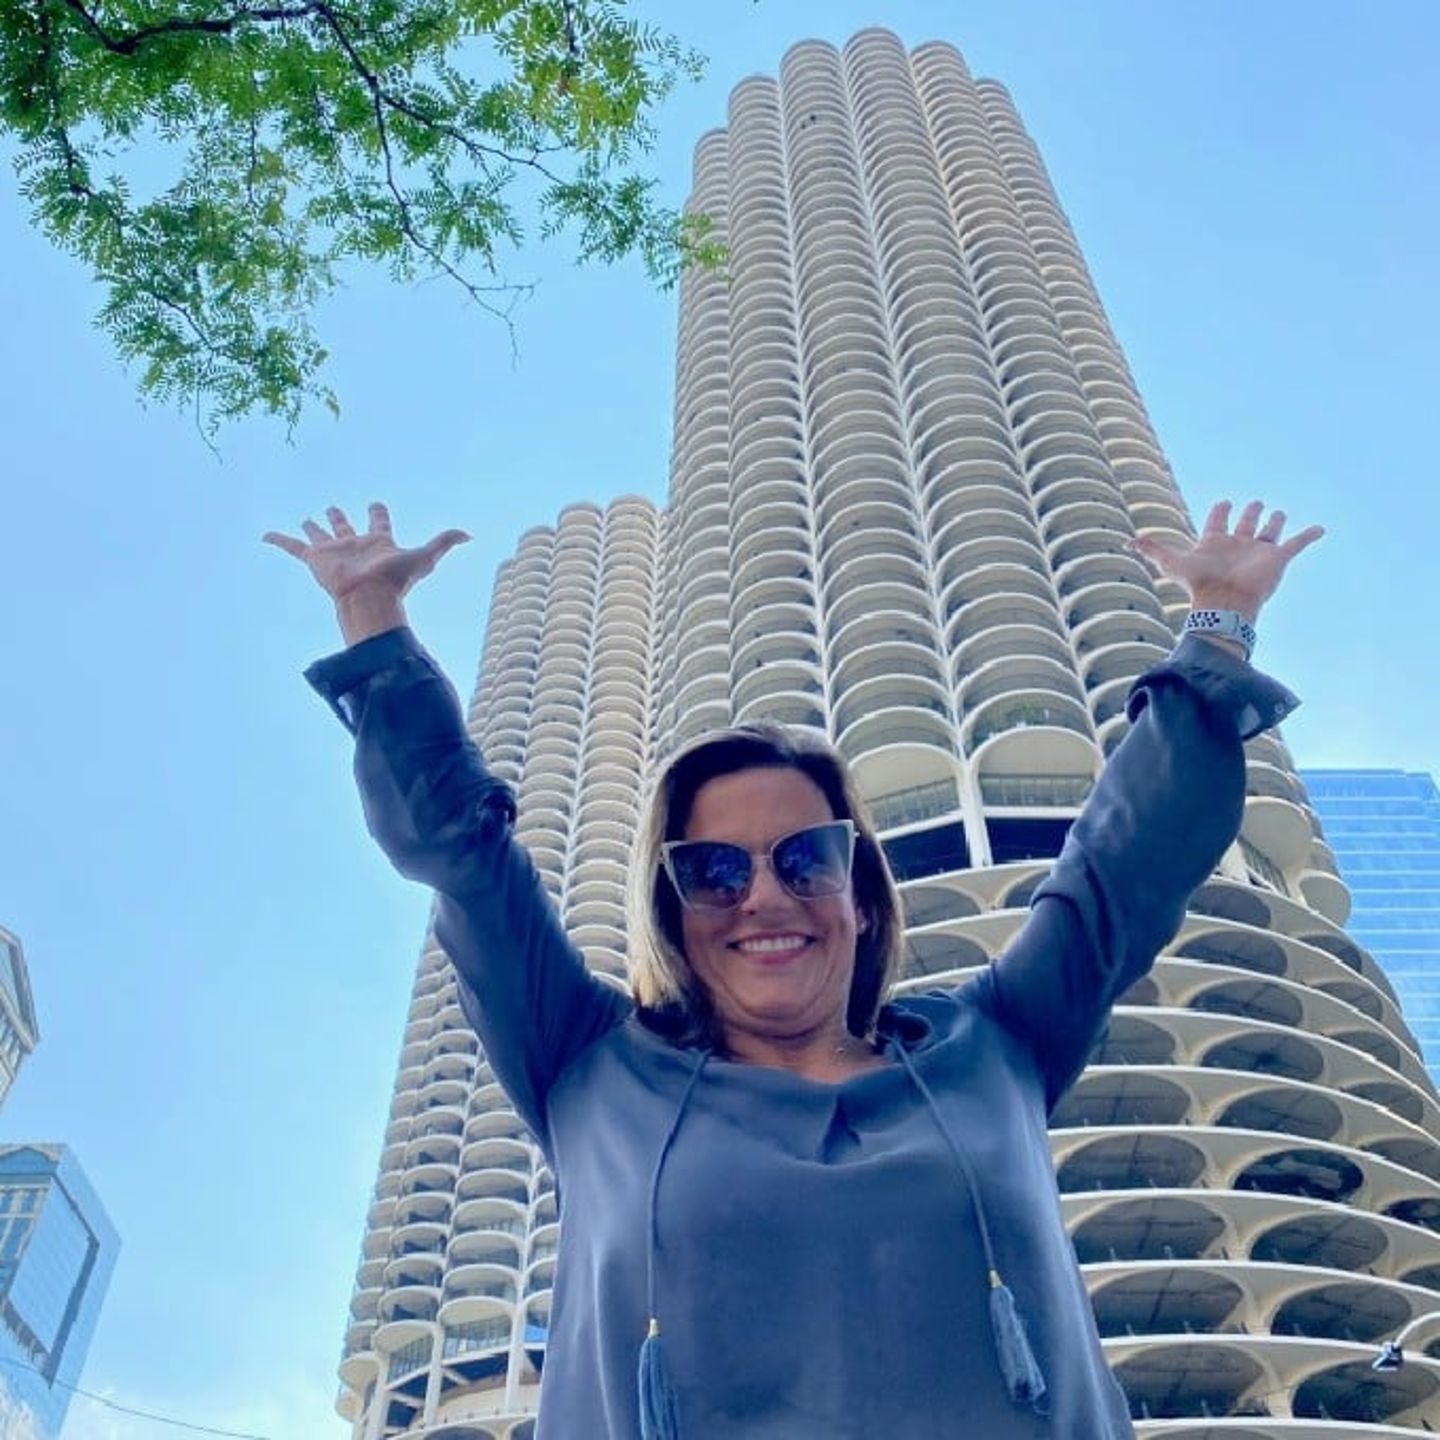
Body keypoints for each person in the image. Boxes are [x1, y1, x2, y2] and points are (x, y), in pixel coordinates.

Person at [267, 498, 1322, 1439]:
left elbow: (1123, 869)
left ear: (862, 890)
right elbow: (465, 857)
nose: (764, 897)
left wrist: (1217, 622)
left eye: (805, 857)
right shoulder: (588, 1064)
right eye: (714, 869)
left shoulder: (991, 1045)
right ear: (671, 908)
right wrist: (374, 623)